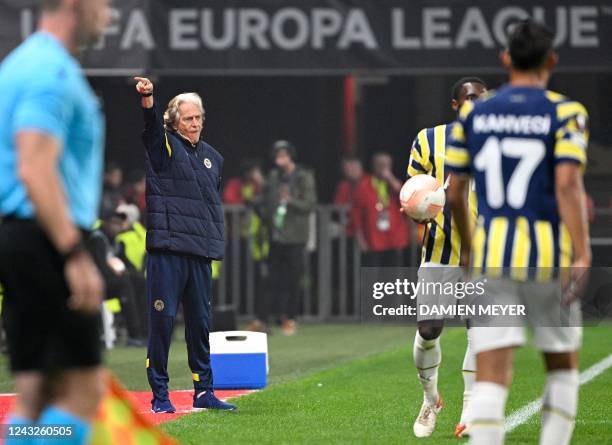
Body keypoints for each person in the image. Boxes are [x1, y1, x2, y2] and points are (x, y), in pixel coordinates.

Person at [446, 19, 590, 445]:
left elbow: (455, 192)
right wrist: (582, 252)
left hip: (493, 256)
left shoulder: (473, 113)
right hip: (548, 254)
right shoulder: (566, 112)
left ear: (506, 59)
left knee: (492, 374)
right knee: (561, 365)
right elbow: (567, 184)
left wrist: (470, 249)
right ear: (552, 61)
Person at [0, 0, 110, 444]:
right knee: (82, 392)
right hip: (47, 236)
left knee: (35, 396)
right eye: (103, 3)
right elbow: (34, 167)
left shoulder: (17, 65)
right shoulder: (53, 73)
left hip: (19, 234)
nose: (110, 14)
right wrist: (74, 253)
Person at [133, 76, 236, 412]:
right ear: (173, 122)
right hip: (168, 250)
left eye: (198, 118)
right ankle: (160, 396)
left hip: (200, 252)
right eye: (188, 118)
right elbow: (150, 129)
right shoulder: (162, 147)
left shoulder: (214, 158)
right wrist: (148, 99)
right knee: (162, 324)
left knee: (200, 324)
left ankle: (203, 391)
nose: (195, 123)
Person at [405, 77, 487, 438]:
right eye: (469, 98)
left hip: (486, 253)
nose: (475, 103)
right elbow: (412, 195)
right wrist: (421, 209)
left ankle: (470, 410)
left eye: (481, 98)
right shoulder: (428, 139)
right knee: (428, 330)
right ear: (455, 105)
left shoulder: (499, 141)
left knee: (479, 331)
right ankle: (430, 398)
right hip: (440, 250)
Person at [262, 141, 317, 335]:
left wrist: (289, 201)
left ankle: (291, 317)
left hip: (295, 237)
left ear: (290, 156)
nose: (280, 159)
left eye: (283, 155)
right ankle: (269, 318)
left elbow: (309, 204)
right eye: (277, 155)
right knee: (273, 279)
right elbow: (268, 200)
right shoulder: (274, 176)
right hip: (276, 235)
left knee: (293, 279)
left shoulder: (303, 176)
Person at [89, 210, 147, 346]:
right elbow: (100, 267)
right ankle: (134, 335)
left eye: (120, 223)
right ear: (105, 223)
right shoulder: (97, 239)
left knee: (140, 282)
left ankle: (146, 332)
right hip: (96, 283)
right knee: (125, 284)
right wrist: (121, 275)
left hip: (111, 281)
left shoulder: (115, 241)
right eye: (114, 223)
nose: (118, 227)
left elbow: (125, 262)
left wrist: (133, 273)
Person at [352, 152, 409, 267]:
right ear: (374, 166)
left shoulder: (394, 185)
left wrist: (392, 181)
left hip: (394, 238)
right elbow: (356, 214)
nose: (384, 168)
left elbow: (408, 201)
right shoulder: (364, 185)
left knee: (392, 276)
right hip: (373, 239)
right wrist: (360, 239)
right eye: (380, 165)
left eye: (387, 165)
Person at [334, 156, 367, 238]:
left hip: (367, 225)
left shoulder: (369, 183)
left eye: (353, 168)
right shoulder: (343, 185)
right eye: (347, 169)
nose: (350, 171)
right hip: (349, 224)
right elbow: (338, 205)